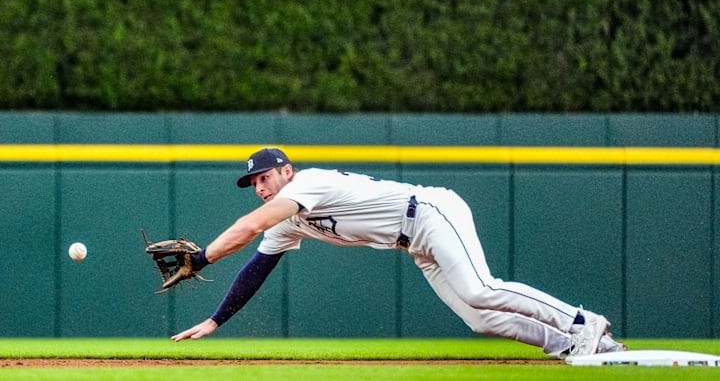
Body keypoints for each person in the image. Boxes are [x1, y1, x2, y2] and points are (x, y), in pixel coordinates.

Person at [170, 147, 626, 359]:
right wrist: (215, 321)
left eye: (265, 178)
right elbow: (258, 267)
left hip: (429, 212)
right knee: (480, 319)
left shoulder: (307, 184)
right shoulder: (287, 218)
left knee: (481, 290)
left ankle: (584, 323)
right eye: (254, 184)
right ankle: (569, 345)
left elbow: (249, 230)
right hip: (413, 242)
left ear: (286, 171)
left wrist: (205, 257)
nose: (260, 187)